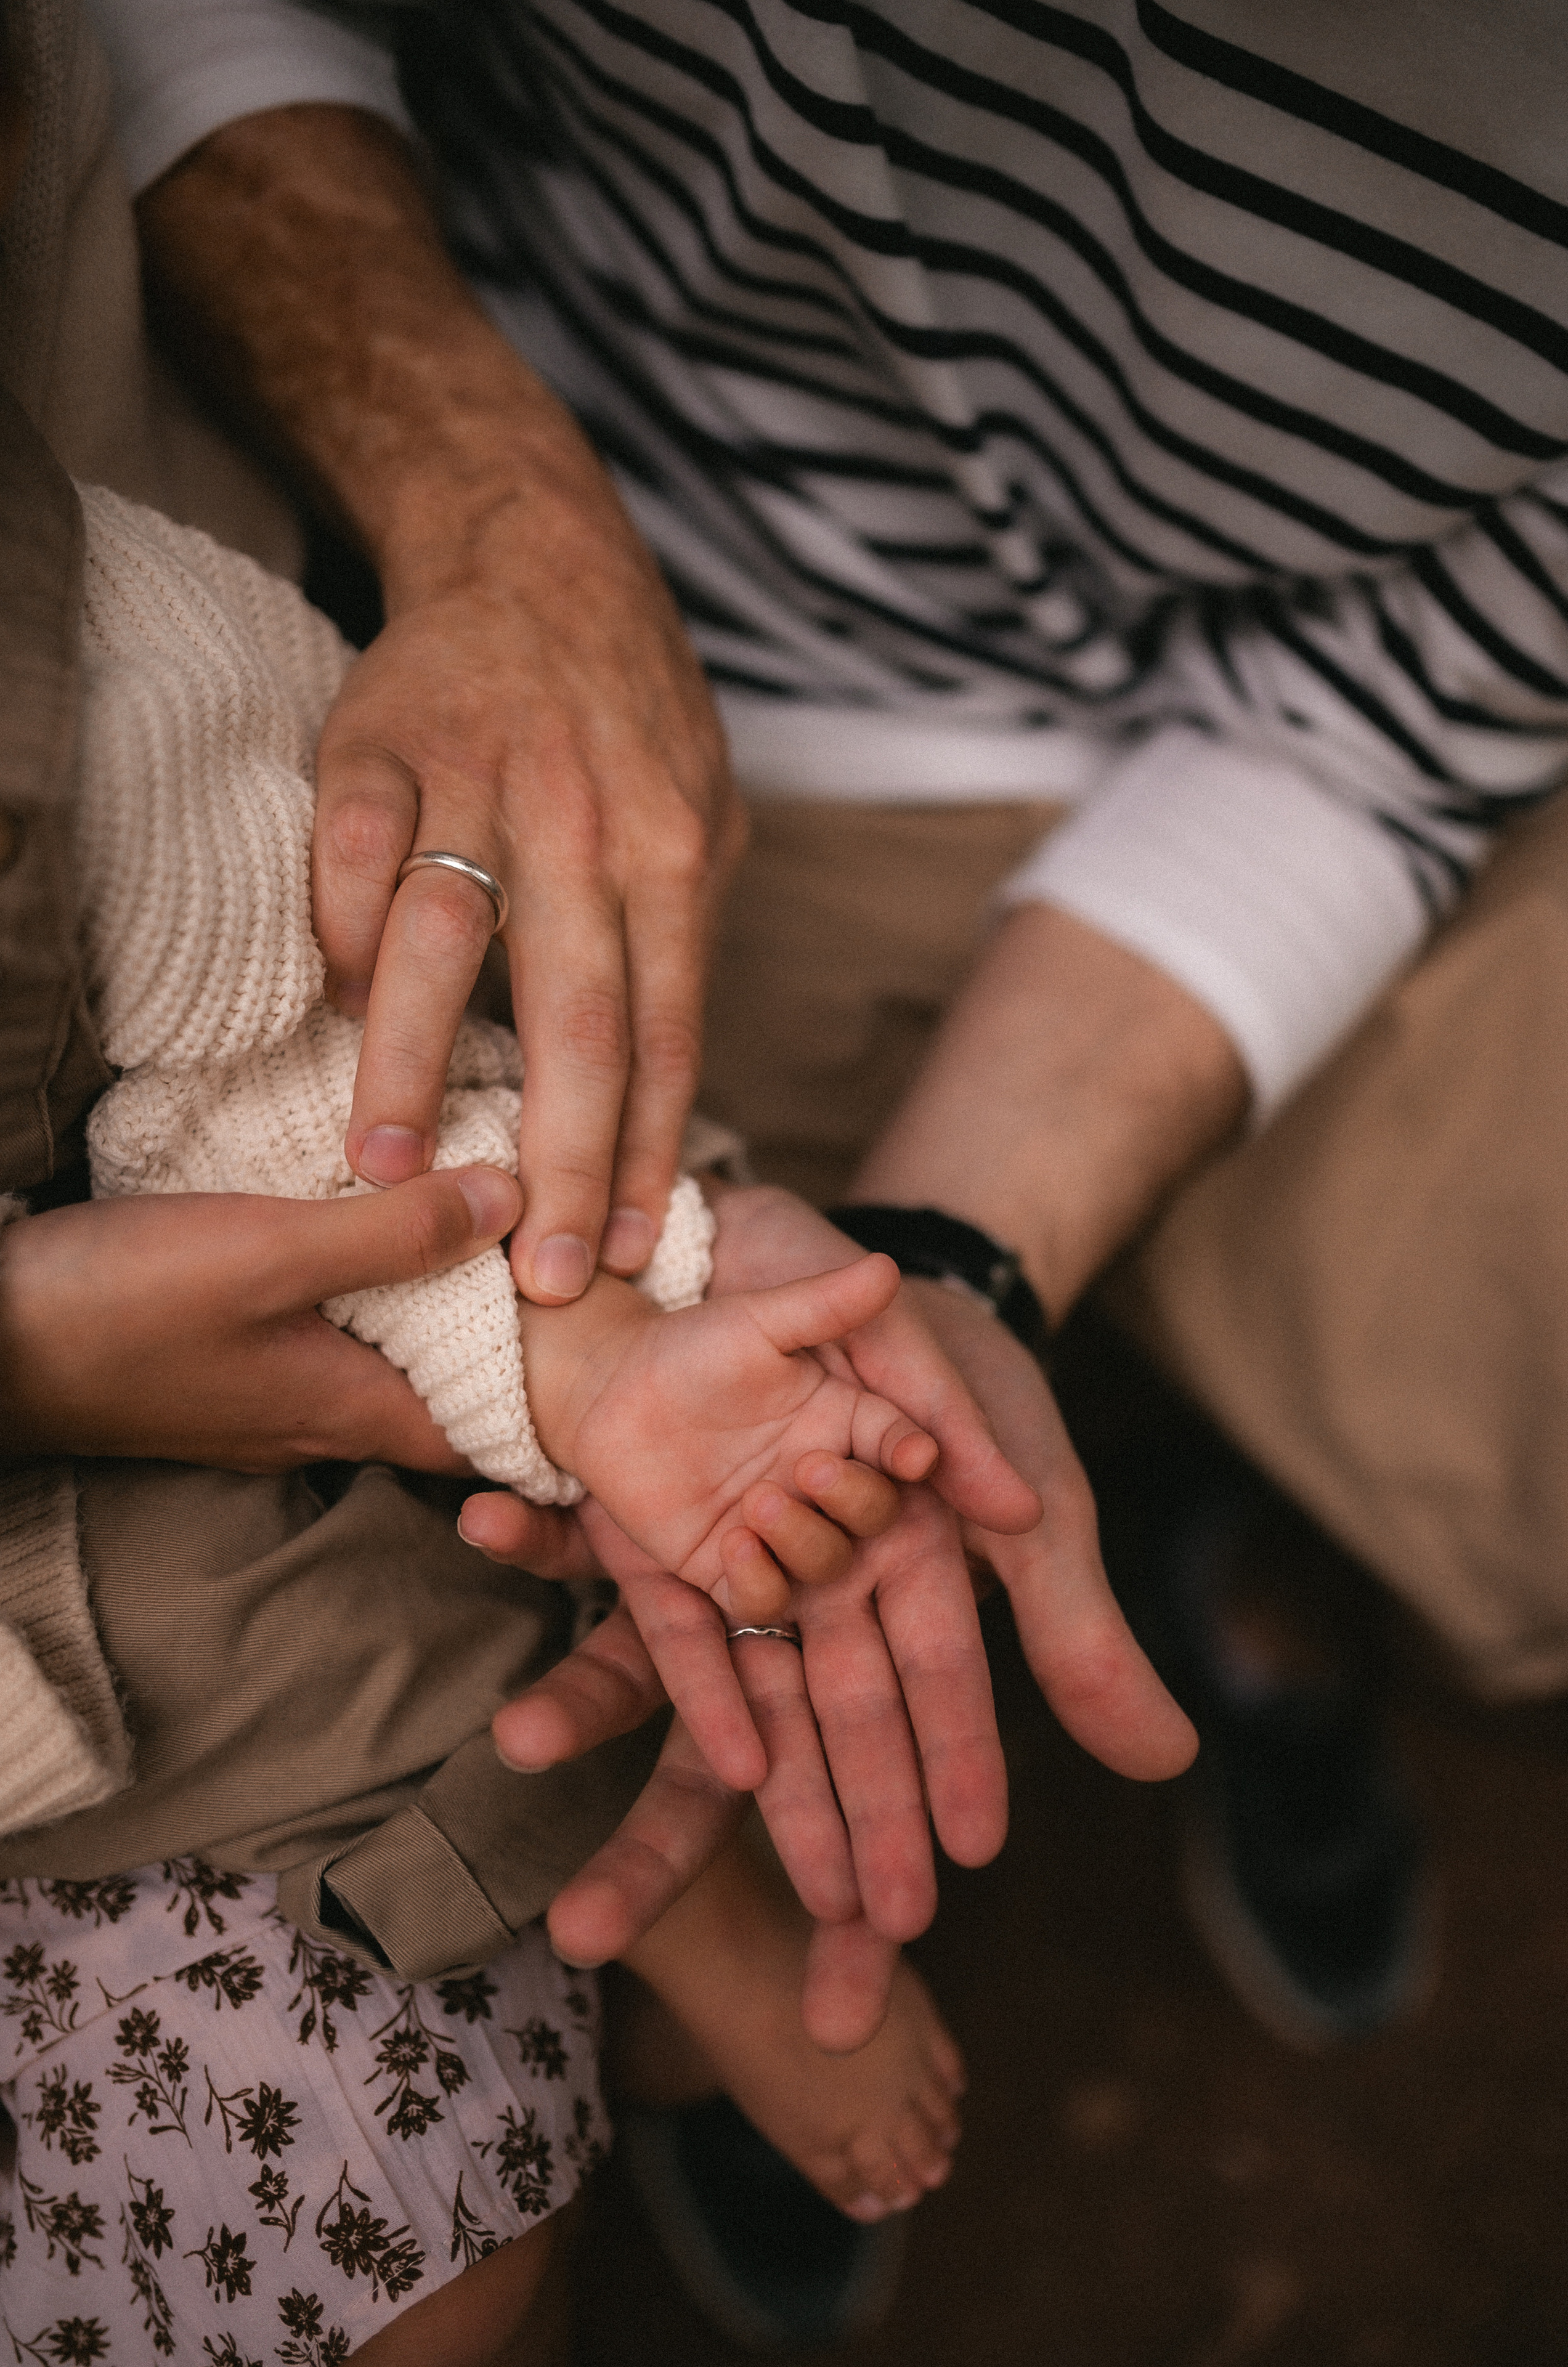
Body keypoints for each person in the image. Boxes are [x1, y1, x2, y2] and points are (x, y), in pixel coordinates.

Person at [93, 0, 1568, 2059]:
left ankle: (1275, 1570)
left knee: (1508, 1429)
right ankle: (714, 2027)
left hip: (1395, 786)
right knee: (636, 1574)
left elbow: (1388, 728)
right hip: (662, 635)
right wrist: (486, 493)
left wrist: (959, 1259)